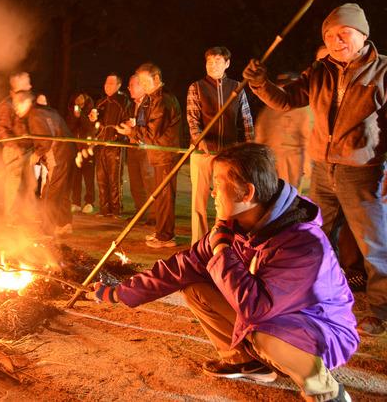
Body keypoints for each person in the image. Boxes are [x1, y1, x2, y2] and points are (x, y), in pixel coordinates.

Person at [90, 143, 358, 402]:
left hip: (322, 329)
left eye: (217, 184)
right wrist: (118, 293)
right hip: (275, 316)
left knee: (263, 332)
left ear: (246, 193)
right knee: (195, 287)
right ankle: (246, 362)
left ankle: (326, 392)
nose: (212, 192)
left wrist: (222, 252)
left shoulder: (302, 244)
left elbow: (257, 308)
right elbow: (182, 266)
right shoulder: (236, 226)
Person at [243, 3, 387, 336]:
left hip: (362, 170)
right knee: (313, 237)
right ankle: (318, 296)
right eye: (329, 35)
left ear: (362, 34)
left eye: (344, 33)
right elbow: (285, 100)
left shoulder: (381, 73)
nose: (336, 40)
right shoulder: (320, 70)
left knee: (374, 244)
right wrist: (261, 83)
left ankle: (380, 308)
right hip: (323, 169)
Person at [186, 46, 255, 244]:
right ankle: (197, 243)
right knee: (199, 201)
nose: (213, 65)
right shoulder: (196, 87)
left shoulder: (237, 87)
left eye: (218, 61)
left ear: (227, 63)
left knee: (225, 199)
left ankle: (220, 240)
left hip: (227, 154)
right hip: (202, 154)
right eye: (209, 61)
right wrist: (199, 140)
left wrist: (249, 148)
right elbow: (192, 119)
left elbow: (247, 119)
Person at [117, 63, 182, 248]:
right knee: (161, 195)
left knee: (166, 196)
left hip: (166, 154)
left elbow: (153, 133)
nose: (143, 85)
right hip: (159, 154)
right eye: (141, 82)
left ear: (156, 78)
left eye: (145, 81)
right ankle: (162, 232)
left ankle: (166, 236)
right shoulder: (154, 99)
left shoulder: (163, 100)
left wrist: (132, 132)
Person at [12, 91, 76, 236]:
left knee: (50, 192)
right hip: (69, 152)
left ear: (26, 102)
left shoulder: (34, 115)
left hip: (58, 155)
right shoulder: (45, 111)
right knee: (63, 192)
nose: (15, 108)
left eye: (17, 104)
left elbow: (45, 140)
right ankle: (64, 224)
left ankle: (47, 231)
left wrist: (37, 154)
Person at [254, 72, 312, 189]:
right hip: (274, 155)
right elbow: (260, 136)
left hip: (292, 155)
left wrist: (307, 162)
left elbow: (308, 137)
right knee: (278, 192)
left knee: (287, 191)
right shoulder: (268, 110)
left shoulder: (302, 109)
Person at [0, 72, 37, 226]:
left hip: (28, 149)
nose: (30, 86)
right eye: (27, 83)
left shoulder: (28, 102)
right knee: (13, 184)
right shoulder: (6, 105)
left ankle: (29, 215)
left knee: (31, 183)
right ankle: (10, 217)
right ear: (17, 86)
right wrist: (14, 146)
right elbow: (2, 130)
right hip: (13, 150)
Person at [91, 74, 130, 218]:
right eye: (106, 83)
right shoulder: (101, 103)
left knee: (114, 179)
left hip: (115, 145)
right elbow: (96, 123)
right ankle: (104, 209)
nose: (107, 86)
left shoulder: (123, 101)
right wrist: (93, 119)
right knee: (101, 178)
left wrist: (119, 136)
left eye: (111, 83)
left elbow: (127, 121)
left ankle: (116, 210)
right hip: (101, 145)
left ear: (119, 85)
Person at [123, 74, 155, 224]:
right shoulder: (131, 105)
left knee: (149, 181)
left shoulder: (151, 103)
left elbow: (152, 127)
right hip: (133, 147)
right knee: (135, 183)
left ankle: (154, 215)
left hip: (146, 148)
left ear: (143, 85)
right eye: (129, 86)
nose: (130, 88)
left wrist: (135, 126)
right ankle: (140, 212)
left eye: (133, 85)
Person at [66, 92, 96, 214]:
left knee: (89, 178)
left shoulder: (91, 111)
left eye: (81, 96)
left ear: (86, 98)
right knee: (75, 178)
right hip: (75, 149)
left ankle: (89, 202)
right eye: (76, 97)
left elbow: (90, 127)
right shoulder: (71, 112)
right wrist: (75, 116)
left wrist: (81, 116)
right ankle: (76, 202)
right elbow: (69, 128)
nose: (78, 99)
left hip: (88, 149)